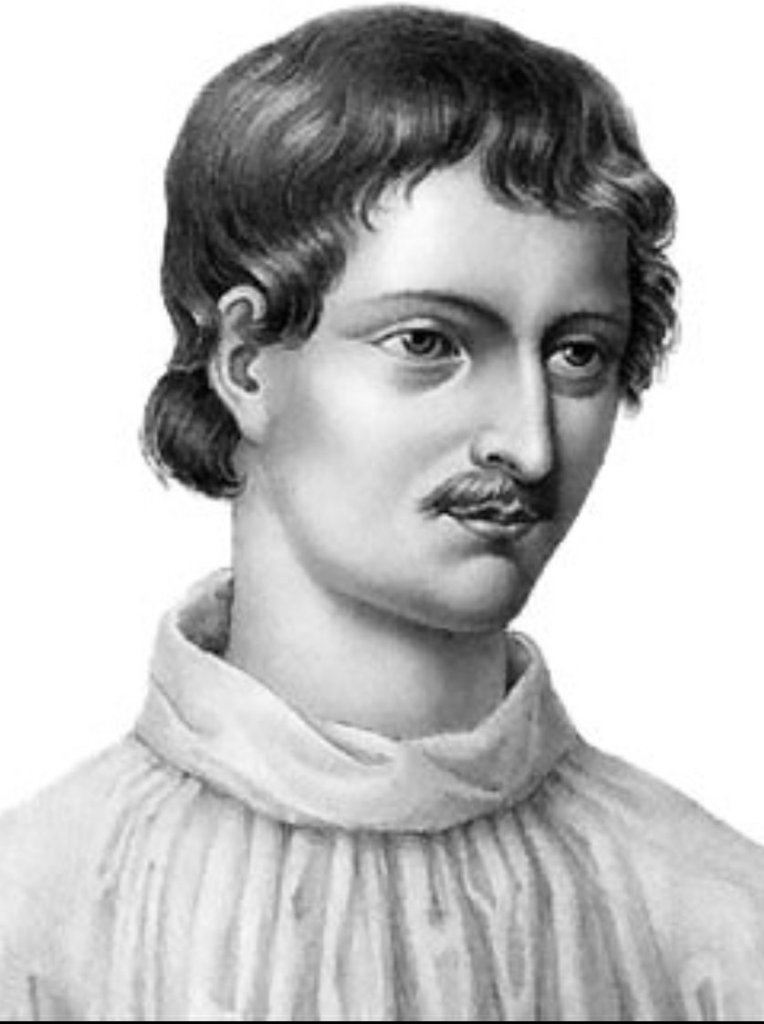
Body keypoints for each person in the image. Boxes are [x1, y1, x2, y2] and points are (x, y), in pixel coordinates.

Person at [1, 5, 762, 1019]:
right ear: (245, 363)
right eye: (428, 343)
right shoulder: (32, 921)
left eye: (577, 353)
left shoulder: (718, 922)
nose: (529, 445)